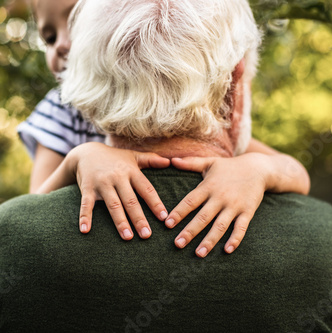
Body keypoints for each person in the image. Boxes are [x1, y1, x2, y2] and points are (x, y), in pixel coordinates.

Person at [0, 0, 332, 331]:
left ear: (87, 85)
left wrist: (258, 169)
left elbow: (27, 217)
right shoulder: (325, 238)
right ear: (236, 84)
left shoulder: (7, 241)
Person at [17, 0, 311, 257]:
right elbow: (34, 210)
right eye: (49, 37)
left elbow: (297, 174)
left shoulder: (211, 119)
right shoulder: (60, 112)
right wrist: (77, 161)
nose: (62, 45)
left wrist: (258, 170)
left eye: (74, 20)